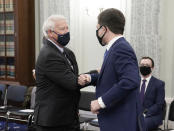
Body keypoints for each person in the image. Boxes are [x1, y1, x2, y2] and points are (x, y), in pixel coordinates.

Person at [79, 8, 144, 131]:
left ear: (104, 29)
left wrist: (101, 102)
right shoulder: (115, 47)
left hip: (120, 121)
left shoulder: (121, 48)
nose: (97, 32)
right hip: (115, 119)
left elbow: (130, 80)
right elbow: (112, 75)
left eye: (98, 28)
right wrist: (91, 78)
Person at [34, 15, 81, 131]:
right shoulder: (49, 54)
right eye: (62, 29)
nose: (66, 32)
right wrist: (93, 76)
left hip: (69, 116)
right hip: (53, 121)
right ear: (50, 33)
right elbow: (71, 82)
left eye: (67, 28)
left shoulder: (68, 52)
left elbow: (73, 78)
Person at [139, 57, 165, 131]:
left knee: (141, 123)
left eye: (147, 65)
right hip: (135, 114)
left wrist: (144, 114)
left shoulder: (159, 84)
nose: (144, 67)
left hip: (152, 116)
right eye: (142, 65)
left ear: (152, 68)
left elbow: (158, 105)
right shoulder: (134, 82)